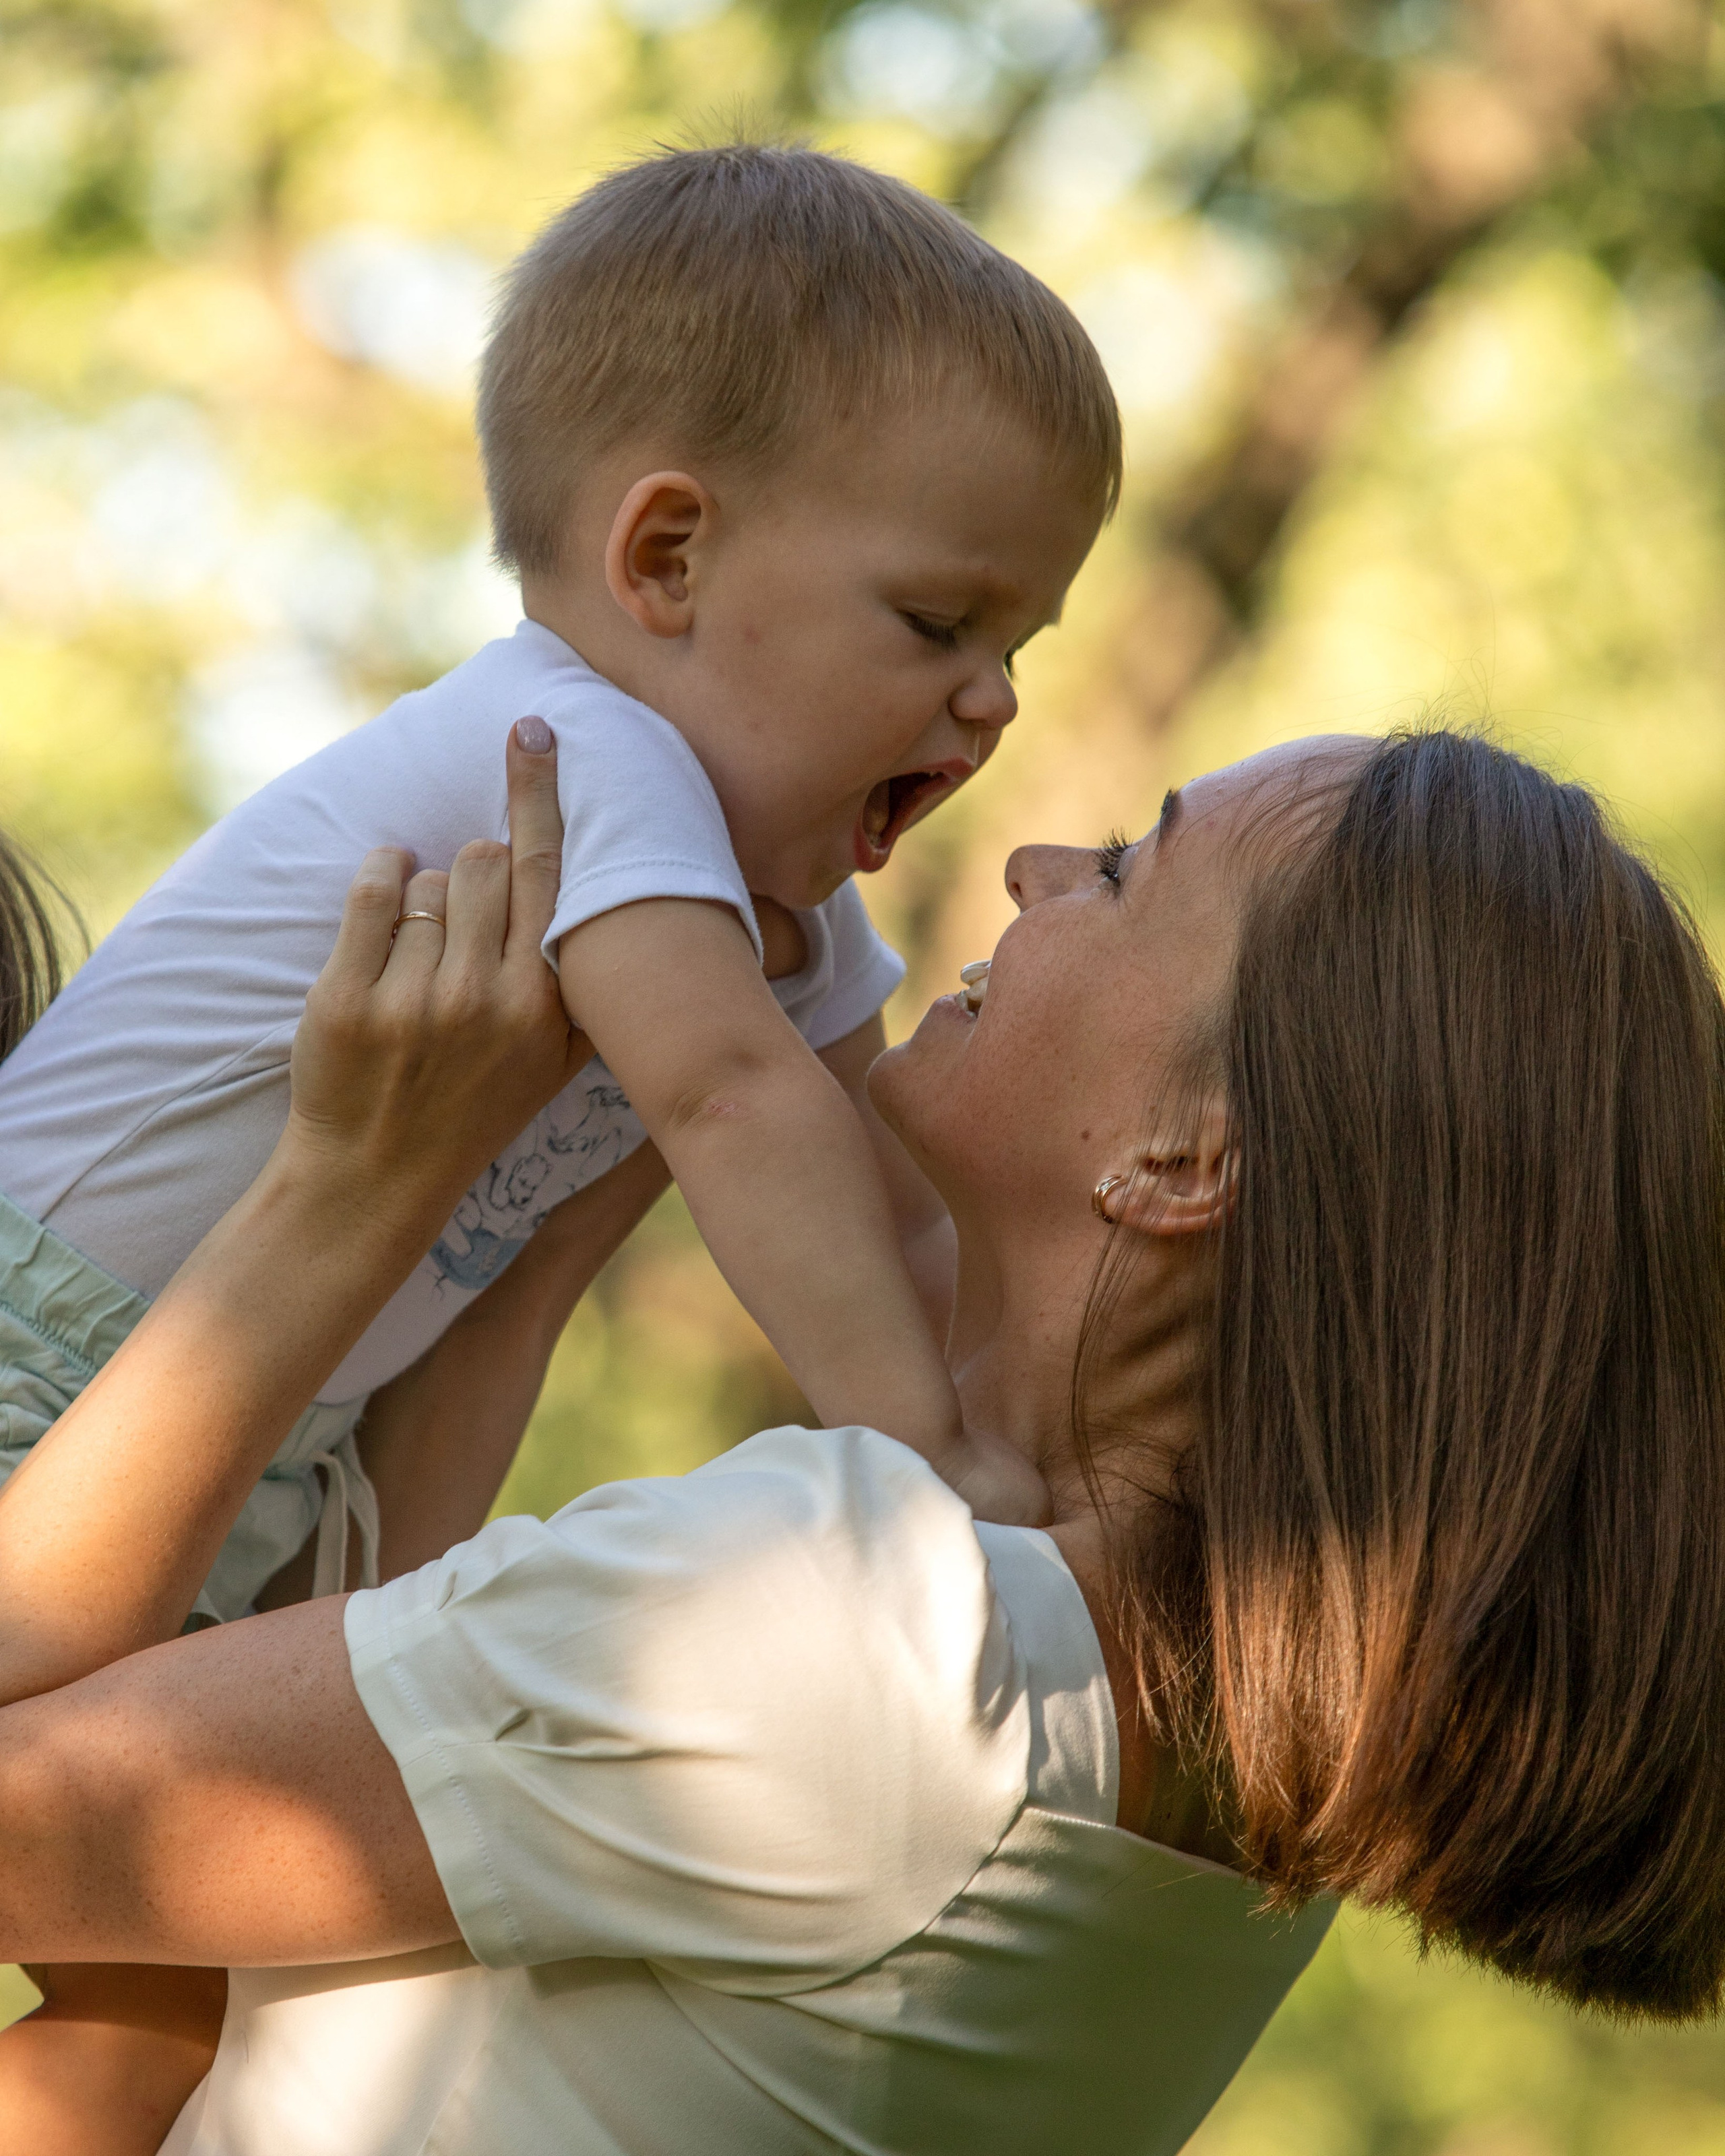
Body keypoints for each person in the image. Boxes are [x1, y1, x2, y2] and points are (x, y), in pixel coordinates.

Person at [0, 724, 1718, 2156]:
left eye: (1125, 866)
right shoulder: (1189, 1782)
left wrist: (349, 1187)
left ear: (1190, 1157)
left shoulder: (863, 1634)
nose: (1042, 862)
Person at [0, 141, 1108, 1630]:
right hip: (40, 1350)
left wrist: (1055, 1462)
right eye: (934, 624)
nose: (993, 703)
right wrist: (927, 1462)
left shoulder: (776, 912)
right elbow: (733, 1104)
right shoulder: (580, 747)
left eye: (1015, 649)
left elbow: (893, 1215)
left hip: (242, 1445)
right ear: (665, 558)